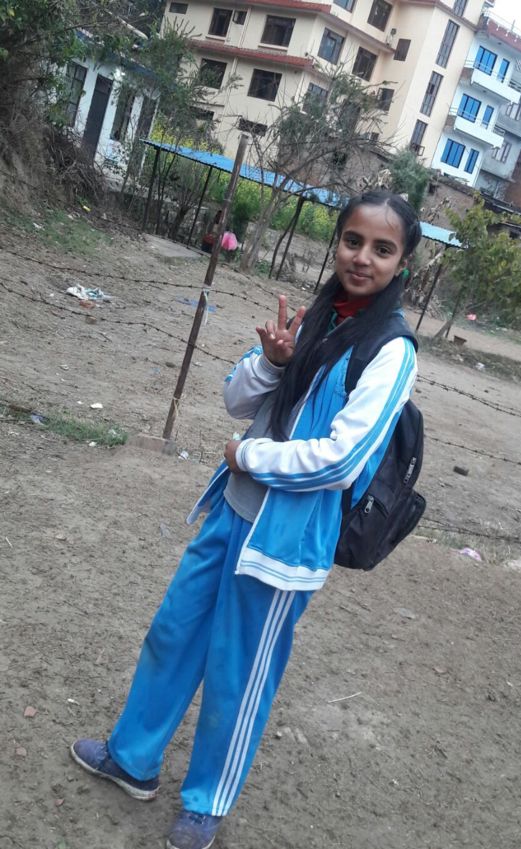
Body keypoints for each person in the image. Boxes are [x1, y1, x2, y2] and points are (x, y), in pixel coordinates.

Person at [70, 189, 422, 849]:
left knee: (239, 672)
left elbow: (342, 460)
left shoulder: (392, 350)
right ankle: (133, 758)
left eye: (382, 249)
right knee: (173, 633)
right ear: (337, 242)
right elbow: (236, 399)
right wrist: (272, 362)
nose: (362, 257)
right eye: (353, 241)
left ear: (403, 263)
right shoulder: (318, 317)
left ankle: (207, 801)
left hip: (285, 544)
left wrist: (248, 456)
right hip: (231, 512)